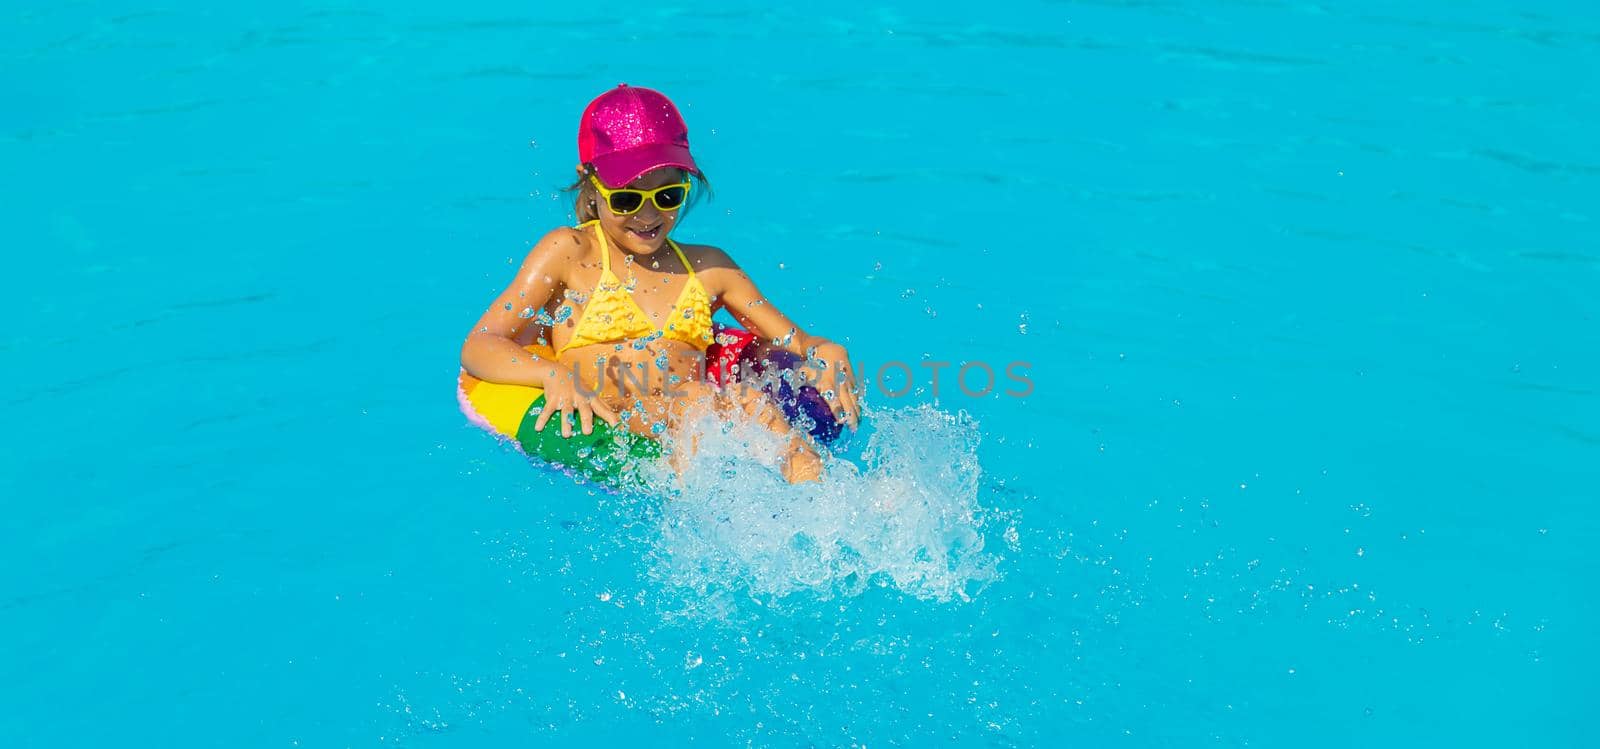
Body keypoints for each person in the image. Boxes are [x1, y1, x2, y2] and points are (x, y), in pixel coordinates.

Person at [460, 84, 860, 484]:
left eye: (667, 195)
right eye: (626, 200)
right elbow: (480, 344)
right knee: (698, 403)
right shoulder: (569, 253)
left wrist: (825, 348)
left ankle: (833, 502)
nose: (648, 215)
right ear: (590, 184)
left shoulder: (709, 268)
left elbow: (796, 340)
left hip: (692, 417)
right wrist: (553, 375)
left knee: (748, 402)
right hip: (622, 424)